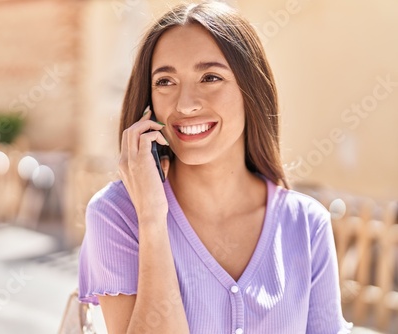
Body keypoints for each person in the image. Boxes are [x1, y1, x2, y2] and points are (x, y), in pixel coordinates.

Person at [78, 2, 352, 333]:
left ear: (251, 89)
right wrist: (151, 220)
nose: (185, 104)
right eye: (166, 81)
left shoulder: (307, 225)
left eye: (210, 77)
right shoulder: (117, 214)